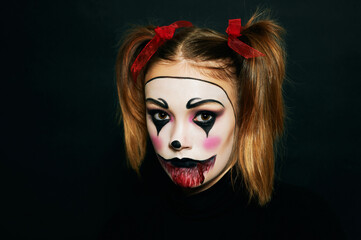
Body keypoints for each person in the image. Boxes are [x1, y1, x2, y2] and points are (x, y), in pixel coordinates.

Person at [100, 11, 345, 240]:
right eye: (161, 116)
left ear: (247, 116)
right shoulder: (127, 226)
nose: (176, 139)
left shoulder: (304, 222)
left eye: (204, 116)